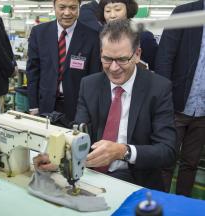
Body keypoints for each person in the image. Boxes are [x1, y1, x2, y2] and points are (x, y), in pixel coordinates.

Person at [34, 20, 176, 191]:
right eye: (107, 59)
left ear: (137, 54)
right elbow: (80, 133)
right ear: (101, 53)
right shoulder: (89, 85)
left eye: (122, 59)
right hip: (91, 174)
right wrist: (60, 159)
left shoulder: (158, 88)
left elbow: (167, 151)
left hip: (136, 179)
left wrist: (123, 151)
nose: (114, 68)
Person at [155, 0, 205, 197]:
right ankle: (159, 202)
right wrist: (163, 100)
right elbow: (165, 57)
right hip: (175, 105)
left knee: (191, 163)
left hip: (202, 113)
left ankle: (183, 205)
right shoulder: (184, 13)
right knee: (166, 161)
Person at [26, 0, 101, 126]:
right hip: (45, 106)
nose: (67, 13)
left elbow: (94, 76)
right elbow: (33, 72)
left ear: (79, 7)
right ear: (54, 6)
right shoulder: (39, 33)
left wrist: (89, 110)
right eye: (62, 7)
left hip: (77, 108)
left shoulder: (92, 36)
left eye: (73, 8)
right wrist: (33, 106)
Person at [97, 0, 158, 70]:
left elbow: (155, 66)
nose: (112, 15)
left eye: (117, 9)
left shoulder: (144, 36)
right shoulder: (100, 35)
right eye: (108, 11)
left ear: (128, 9)